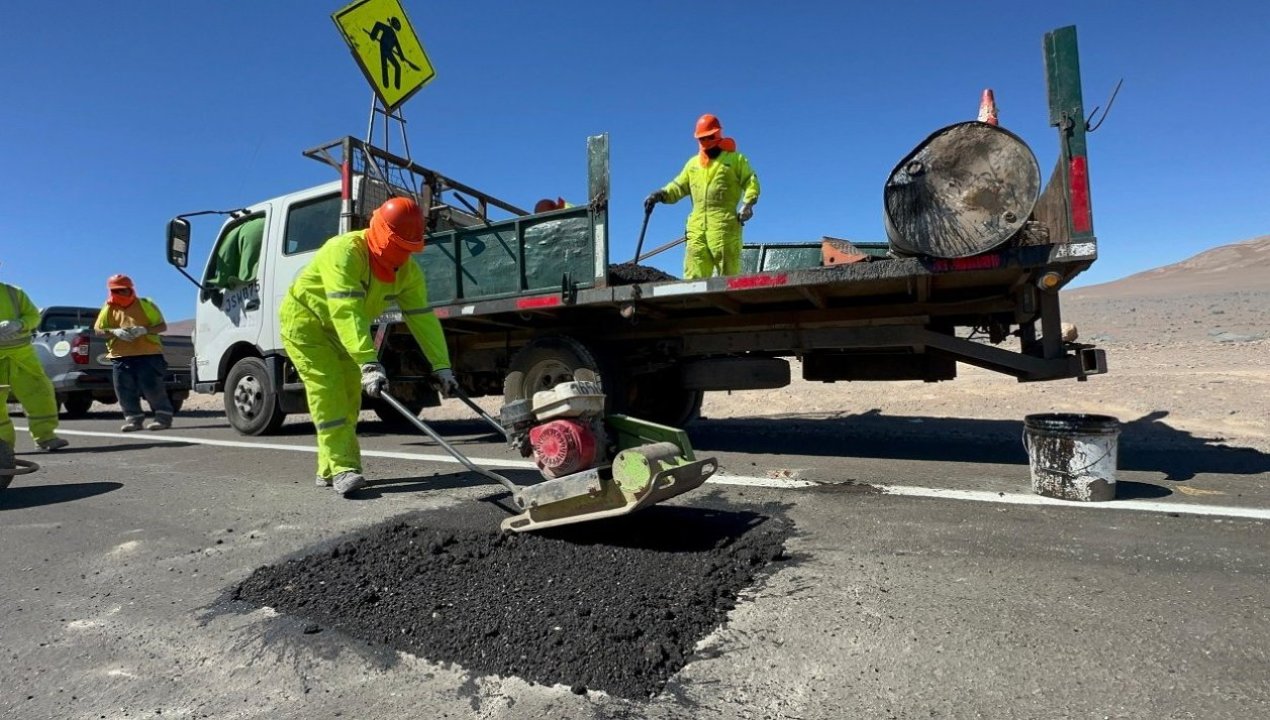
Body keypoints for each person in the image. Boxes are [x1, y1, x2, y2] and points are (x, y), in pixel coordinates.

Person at [280, 196, 456, 497]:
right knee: (329, 388)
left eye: (410, 249)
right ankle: (343, 468)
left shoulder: (408, 273)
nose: (404, 256)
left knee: (350, 397)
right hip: (307, 323)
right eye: (400, 246)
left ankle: (327, 468)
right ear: (381, 234)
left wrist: (442, 366)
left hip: (344, 332)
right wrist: (368, 362)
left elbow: (422, 319)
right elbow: (346, 309)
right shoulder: (345, 252)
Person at [645, 114, 761, 279]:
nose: (706, 141)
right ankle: (695, 304)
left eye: (709, 137)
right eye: (702, 138)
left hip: (724, 227)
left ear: (718, 134)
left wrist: (748, 203)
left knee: (728, 276)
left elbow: (751, 181)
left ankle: (727, 302)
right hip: (697, 228)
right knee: (693, 274)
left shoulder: (735, 160)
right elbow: (677, 187)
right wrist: (660, 195)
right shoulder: (692, 165)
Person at [93, 275, 174, 432]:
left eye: (122, 290)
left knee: (152, 387)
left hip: (148, 353)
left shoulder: (146, 305)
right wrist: (114, 332)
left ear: (130, 289)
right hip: (120, 356)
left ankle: (163, 418)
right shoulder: (108, 308)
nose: (118, 293)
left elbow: (161, 326)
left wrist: (144, 330)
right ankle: (133, 420)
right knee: (124, 389)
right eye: (114, 290)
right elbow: (98, 331)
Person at [0, 273, 69, 451]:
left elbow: (33, 316)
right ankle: (3, 449)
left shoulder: (14, 293)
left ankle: (46, 437)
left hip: (23, 355)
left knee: (40, 394)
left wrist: (20, 324)